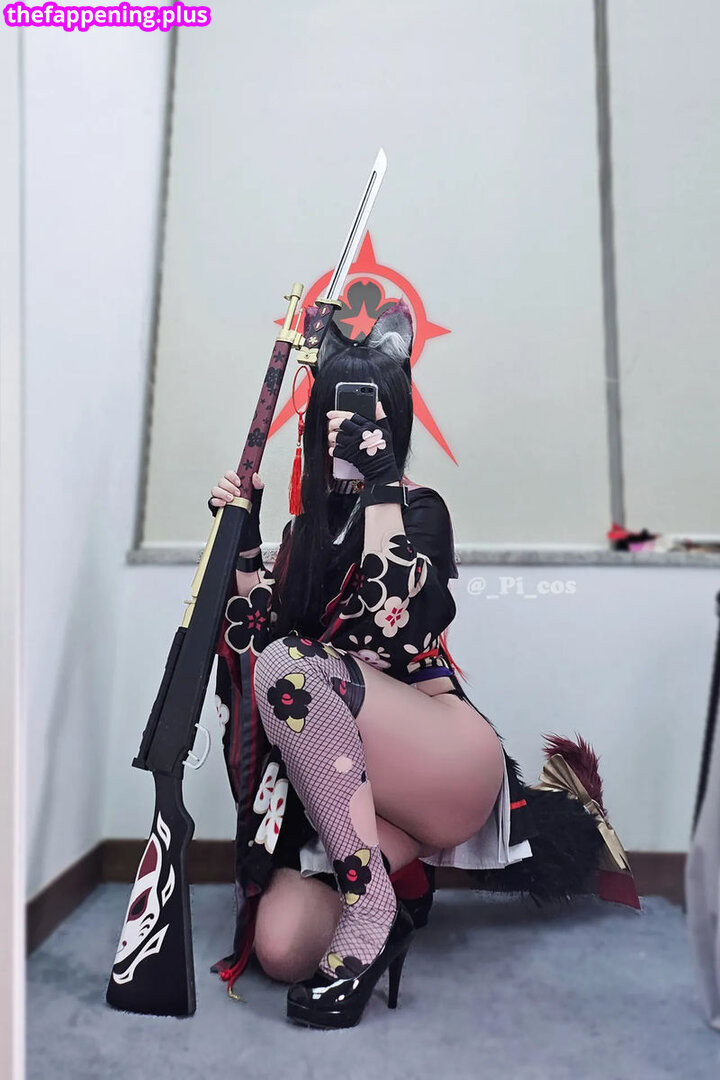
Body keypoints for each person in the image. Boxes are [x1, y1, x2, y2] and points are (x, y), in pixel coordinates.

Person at [208, 301, 632, 1029]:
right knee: (281, 950)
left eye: (369, 406)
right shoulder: (304, 532)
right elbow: (258, 644)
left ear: (395, 417)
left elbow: (390, 627)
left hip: (440, 757)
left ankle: (372, 905)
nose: (349, 423)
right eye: (339, 405)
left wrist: (381, 483)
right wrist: (243, 540)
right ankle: (390, 896)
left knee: (295, 670)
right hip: (356, 788)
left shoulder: (419, 510)